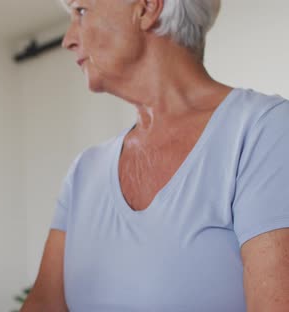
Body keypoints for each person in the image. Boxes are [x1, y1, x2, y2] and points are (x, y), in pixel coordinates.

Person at [22, 0, 289, 311]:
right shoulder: (84, 170)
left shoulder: (263, 129)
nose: (68, 39)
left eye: (81, 11)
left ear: (147, 8)